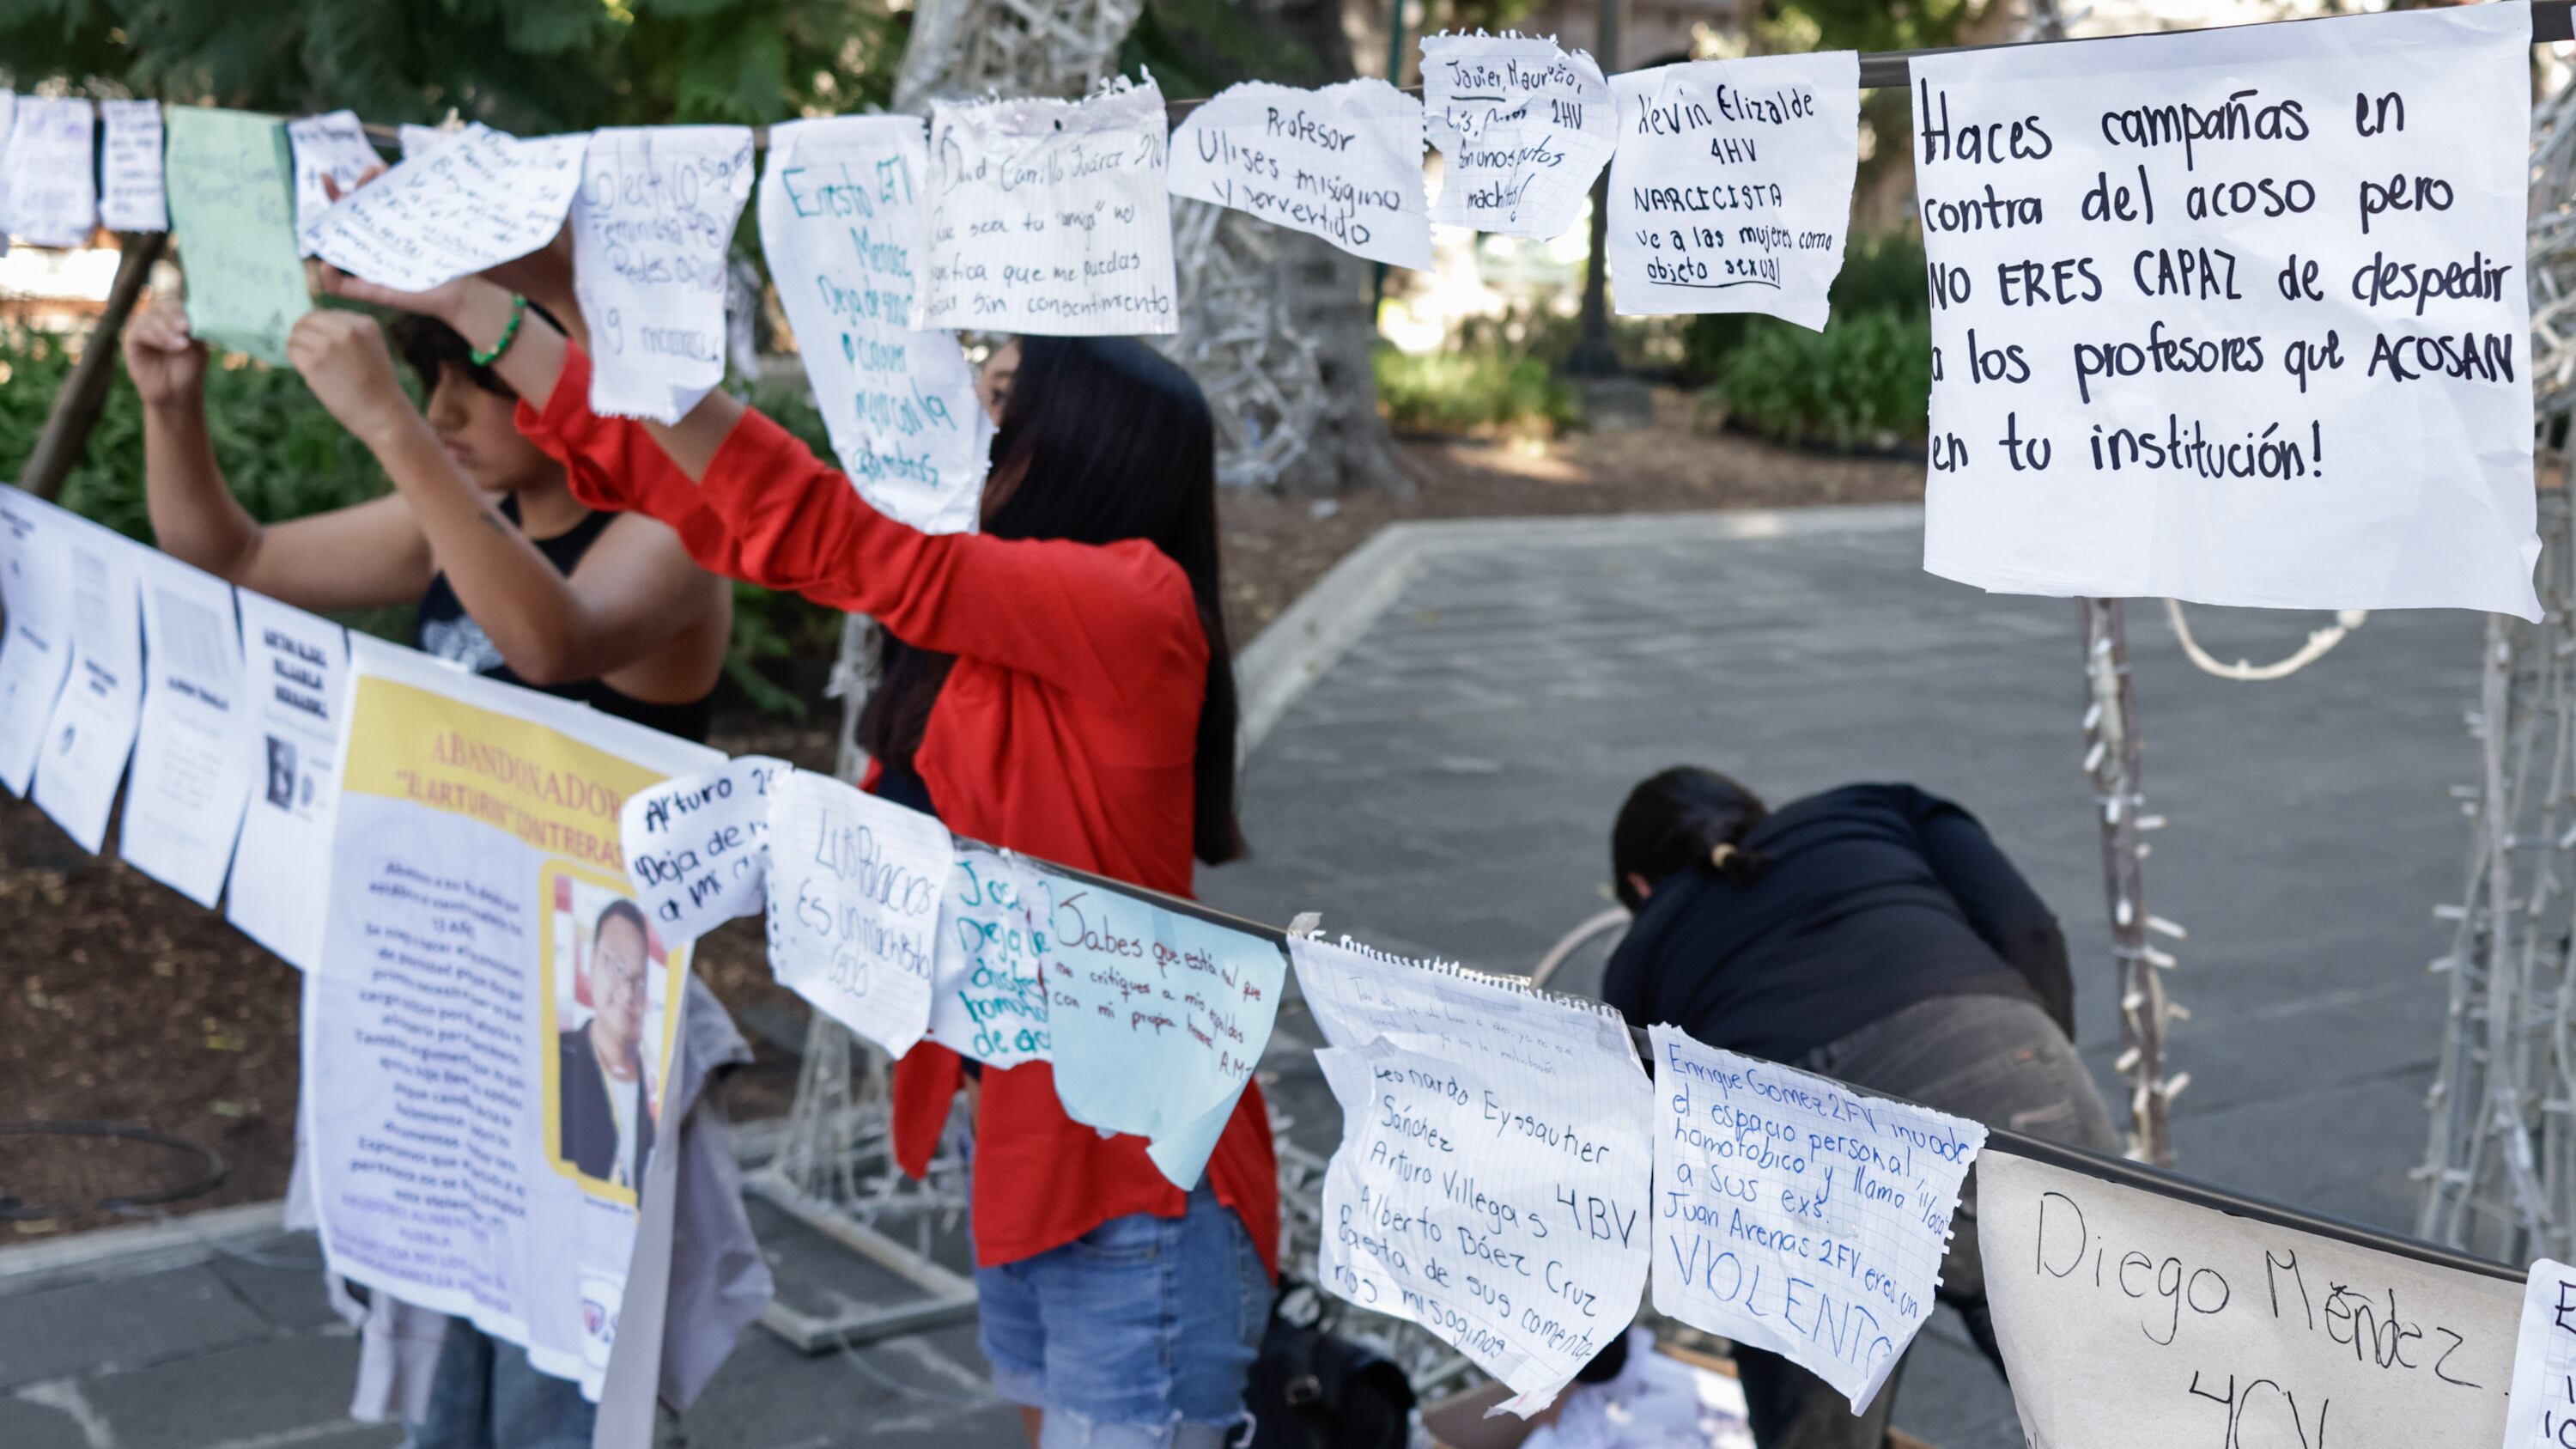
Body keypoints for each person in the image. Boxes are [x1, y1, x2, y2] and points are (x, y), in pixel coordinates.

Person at [319, 254, 1279, 1448]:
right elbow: (701, 499)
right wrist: (516, 318)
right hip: (1026, 1149)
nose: (954, 412)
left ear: (1087, 445)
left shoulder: (1137, 602)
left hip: (1141, 1179)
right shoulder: (989, 625)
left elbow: (829, 528)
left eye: (994, 399)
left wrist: (493, 313)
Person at [1601, 767, 2119, 1449]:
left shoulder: (1639, 953)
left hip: (1796, 1149)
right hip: (1996, 1062)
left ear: (1639, 886)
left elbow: (1642, 1159)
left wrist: (1602, 1354)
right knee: (2122, 1405)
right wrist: (2033, 1066)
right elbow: (2030, 931)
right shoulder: (1878, 805)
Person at [121, 297, 730, 739]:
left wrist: (391, 423)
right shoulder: (469, 516)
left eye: (480, 381)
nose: (441, 413)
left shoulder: (674, 534)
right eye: (433, 380)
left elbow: (552, 649)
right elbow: (233, 561)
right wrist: (170, 405)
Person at [559, 898, 655, 1188]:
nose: (627, 992)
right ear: (591, 963)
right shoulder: (556, 1059)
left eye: (639, 980)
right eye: (617, 967)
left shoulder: (656, 1084)